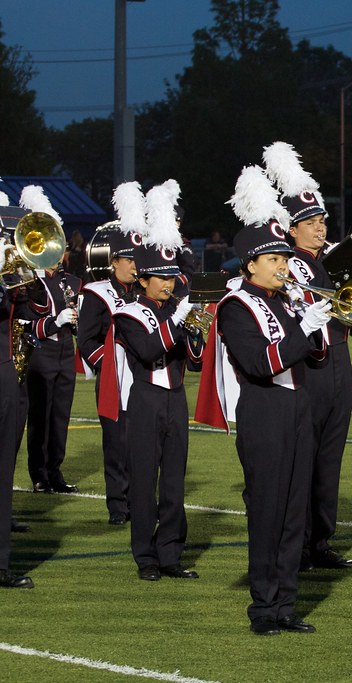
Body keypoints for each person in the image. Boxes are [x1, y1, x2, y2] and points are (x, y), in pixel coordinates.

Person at [202, 164, 331, 636]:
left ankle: (286, 605)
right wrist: (302, 328)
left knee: (296, 511)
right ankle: (263, 607)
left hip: (298, 408)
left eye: (284, 258)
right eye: (274, 258)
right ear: (251, 264)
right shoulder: (236, 306)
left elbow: (316, 358)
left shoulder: (285, 301)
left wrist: (312, 324)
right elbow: (260, 363)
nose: (283, 266)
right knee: (268, 510)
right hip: (264, 411)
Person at [263, 141, 352, 571]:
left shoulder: (330, 258)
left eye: (322, 220)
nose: (321, 228)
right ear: (292, 230)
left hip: (340, 360)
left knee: (330, 459)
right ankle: (298, 545)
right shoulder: (291, 264)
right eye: (312, 223)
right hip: (312, 364)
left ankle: (320, 541)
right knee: (306, 457)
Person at [103, 183, 203, 581]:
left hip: (176, 398)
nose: (168, 284)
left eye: (171, 277)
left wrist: (196, 333)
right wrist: (177, 322)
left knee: (174, 481)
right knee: (144, 481)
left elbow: (196, 363)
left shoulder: (176, 310)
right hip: (144, 399)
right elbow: (147, 350)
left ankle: (171, 553)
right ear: (142, 280)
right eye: (160, 278)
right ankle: (145, 557)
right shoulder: (127, 313)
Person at [78, 182, 144, 525]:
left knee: (142, 446)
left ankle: (140, 502)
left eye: (138, 260)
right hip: (113, 380)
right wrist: (109, 364)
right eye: (129, 260)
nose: (135, 266)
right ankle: (118, 505)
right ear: (114, 261)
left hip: (144, 379)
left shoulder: (145, 293)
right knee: (117, 445)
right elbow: (86, 339)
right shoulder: (97, 293)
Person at [16, 186, 80, 495]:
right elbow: (25, 323)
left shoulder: (69, 281)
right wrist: (57, 320)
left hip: (65, 350)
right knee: (40, 415)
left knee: (60, 416)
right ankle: (39, 473)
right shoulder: (29, 282)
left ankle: (55, 470)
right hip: (41, 352)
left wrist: (77, 318)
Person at [0, 196, 36, 588]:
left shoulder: (10, 272)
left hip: (5, 370)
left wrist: (26, 277)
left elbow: (32, 312)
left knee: (3, 471)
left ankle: (0, 565)